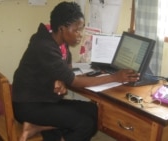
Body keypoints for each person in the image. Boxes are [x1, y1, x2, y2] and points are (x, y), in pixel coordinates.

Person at [12, 1, 139, 141]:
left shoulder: (58, 41)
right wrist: (115, 77)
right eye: (76, 30)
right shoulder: (44, 46)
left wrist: (60, 79)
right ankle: (44, 129)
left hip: (45, 98)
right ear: (62, 29)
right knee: (85, 124)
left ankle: (37, 127)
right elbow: (74, 80)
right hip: (30, 106)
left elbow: (64, 69)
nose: (79, 34)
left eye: (81, 29)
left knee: (94, 110)